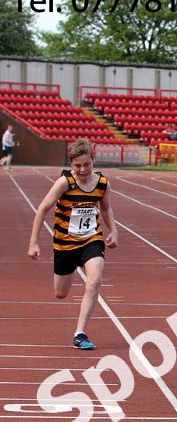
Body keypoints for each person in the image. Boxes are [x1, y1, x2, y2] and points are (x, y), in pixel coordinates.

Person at [27, 138, 118, 350]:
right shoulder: (64, 183)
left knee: (94, 282)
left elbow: (105, 209)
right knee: (60, 293)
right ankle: (74, 265)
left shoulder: (103, 184)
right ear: (71, 164)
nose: (83, 169)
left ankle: (80, 333)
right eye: (77, 165)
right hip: (65, 244)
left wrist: (114, 230)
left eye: (87, 164)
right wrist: (33, 242)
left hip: (91, 239)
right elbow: (42, 209)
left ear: (93, 161)